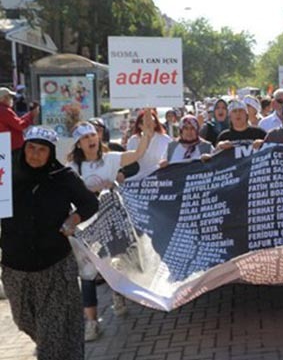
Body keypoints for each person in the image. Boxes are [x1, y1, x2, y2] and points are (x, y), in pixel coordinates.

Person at [1, 127, 99, 359]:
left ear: (51, 153)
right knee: (24, 320)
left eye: (41, 150)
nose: (35, 154)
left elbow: (89, 204)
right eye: (31, 148)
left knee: (53, 330)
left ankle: (54, 349)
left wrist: (73, 219)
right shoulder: (7, 176)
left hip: (55, 266)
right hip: (16, 266)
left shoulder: (63, 177)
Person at [67, 121, 154, 341]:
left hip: (112, 223)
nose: (90, 139)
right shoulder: (72, 168)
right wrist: (91, 190)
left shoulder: (111, 159)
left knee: (116, 264)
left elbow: (138, 154)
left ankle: (118, 295)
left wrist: (146, 134)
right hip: (86, 228)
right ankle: (92, 323)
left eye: (92, 135)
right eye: (85, 137)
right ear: (78, 144)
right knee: (87, 273)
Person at [126, 109, 172, 179]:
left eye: (151, 120)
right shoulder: (133, 140)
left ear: (155, 124)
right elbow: (129, 163)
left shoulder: (166, 139)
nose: (147, 124)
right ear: (139, 125)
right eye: (143, 121)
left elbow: (171, 160)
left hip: (159, 179)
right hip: (137, 180)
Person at [0, 86, 39, 150]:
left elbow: (17, 122)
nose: (12, 99)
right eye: (10, 97)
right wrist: (31, 115)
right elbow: (20, 125)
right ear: (4, 98)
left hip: (5, 145)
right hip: (12, 145)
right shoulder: (4, 110)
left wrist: (28, 115)